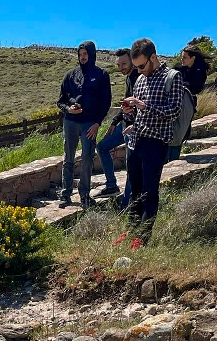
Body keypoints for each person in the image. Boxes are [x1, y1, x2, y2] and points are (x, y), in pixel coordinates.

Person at [122, 38, 187, 243]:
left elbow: (174, 111)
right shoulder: (140, 80)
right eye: (136, 67)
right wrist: (129, 112)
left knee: (149, 191)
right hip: (136, 140)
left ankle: (143, 238)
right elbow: (138, 115)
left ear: (153, 57)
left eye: (142, 66)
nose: (139, 70)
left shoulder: (172, 77)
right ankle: (130, 231)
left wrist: (144, 106)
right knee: (134, 189)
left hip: (156, 142)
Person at [57, 41, 112, 208]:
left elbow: (106, 102)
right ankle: (66, 194)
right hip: (70, 122)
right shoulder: (70, 75)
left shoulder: (101, 75)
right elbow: (60, 101)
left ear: (92, 54)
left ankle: (85, 195)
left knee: (87, 157)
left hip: (89, 124)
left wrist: (97, 123)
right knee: (68, 158)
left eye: (85, 54)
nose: (82, 57)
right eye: (80, 54)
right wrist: (68, 109)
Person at [95, 49, 138, 198]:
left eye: (124, 64)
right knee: (102, 147)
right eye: (118, 65)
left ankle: (128, 201)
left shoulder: (138, 77)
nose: (121, 68)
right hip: (124, 124)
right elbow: (126, 105)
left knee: (131, 163)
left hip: (135, 127)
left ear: (132, 61)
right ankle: (111, 185)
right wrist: (114, 122)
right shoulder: (129, 78)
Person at [165, 46, 210, 162]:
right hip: (172, 102)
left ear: (192, 58)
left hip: (187, 103)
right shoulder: (178, 69)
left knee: (181, 130)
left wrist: (181, 86)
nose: (182, 60)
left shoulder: (200, 72)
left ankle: (173, 158)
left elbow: (197, 88)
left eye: (184, 57)